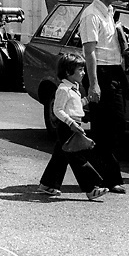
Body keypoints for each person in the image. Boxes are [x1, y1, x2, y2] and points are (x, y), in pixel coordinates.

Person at [79, 0, 129, 194]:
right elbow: (90, 52)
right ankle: (108, 178)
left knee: (116, 127)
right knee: (103, 130)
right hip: (101, 73)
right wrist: (94, 84)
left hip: (115, 73)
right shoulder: (91, 14)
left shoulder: (109, 12)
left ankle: (100, 174)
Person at [38, 53, 109, 201]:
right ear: (68, 72)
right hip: (67, 127)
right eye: (80, 70)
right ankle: (91, 188)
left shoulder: (74, 88)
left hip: (73, 125)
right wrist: (71, 123)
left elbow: (73, 106)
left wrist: (86, 100)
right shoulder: (63, 89)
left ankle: (47, 184)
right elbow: (58, 110)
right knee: (77, 158)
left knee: (60, 156)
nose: (83, 73)